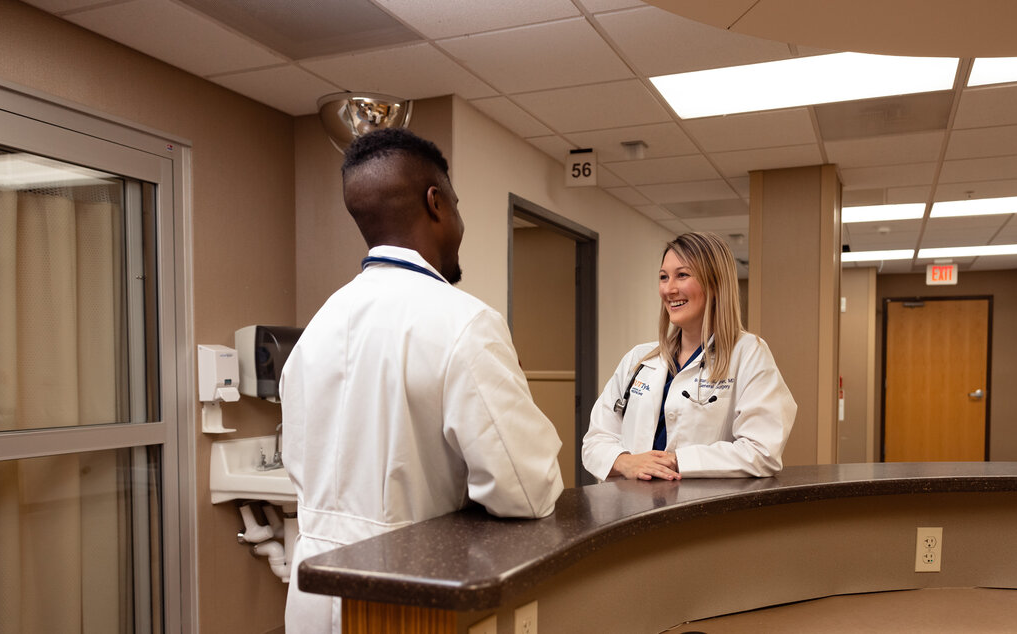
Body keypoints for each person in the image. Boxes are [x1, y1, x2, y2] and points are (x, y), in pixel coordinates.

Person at [279, 128, 564, 633]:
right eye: (456, 204)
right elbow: (528, 489)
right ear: (436, 203)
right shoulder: (464, 323)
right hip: (403, 595)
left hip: (312, 590)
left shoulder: (317, 328)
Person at [582, 232, 797, 481]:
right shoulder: (639, 360)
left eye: (682, 275)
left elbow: (762, 451)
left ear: (715, 284)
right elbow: (595, 440)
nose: (669, 289)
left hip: (700, 512)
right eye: (663, 277)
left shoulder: (749, 354)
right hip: (630, 508)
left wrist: (677, 461)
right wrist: (624, 462)